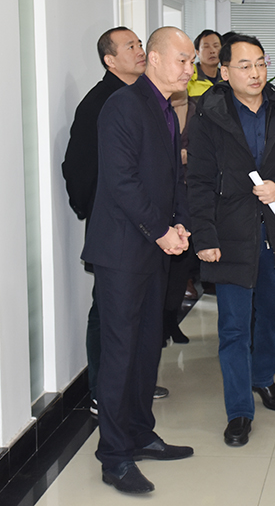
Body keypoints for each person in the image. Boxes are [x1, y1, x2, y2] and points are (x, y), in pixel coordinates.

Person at [81, 27, 196, 494]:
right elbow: (121, 181)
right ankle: (114, 456)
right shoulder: (123, 106)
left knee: (148, 346)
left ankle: (139, 434)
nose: (189, 68)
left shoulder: (163, 107)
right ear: (155, 58)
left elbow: (172, 178)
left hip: (153, 246)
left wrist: (180, 224)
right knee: (120, 352)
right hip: (123, 251)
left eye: (191, 60)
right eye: (182, 60)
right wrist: (162, 230)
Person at [187, 34, 275, 447]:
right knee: (233, 326)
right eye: (244, 65)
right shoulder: (207, 115)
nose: (255, 72)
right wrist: (204, 236)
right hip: (230, 233)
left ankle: (262, 377)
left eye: (260, 63)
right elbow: (198, 181)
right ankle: (239, 410)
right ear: (225, 72)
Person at [62, 27, 168, 413]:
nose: (140, 50)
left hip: (144, 223)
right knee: (108, 310)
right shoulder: (100, 103)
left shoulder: (143, 97)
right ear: (110, 60)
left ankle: (132, 385)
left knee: (136, 311)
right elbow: (78, 168)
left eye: (140, 44)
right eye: (130, 47)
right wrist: (95, 209)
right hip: (116, 226)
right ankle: (100, 390)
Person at [187, 29, 223, 101]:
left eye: (216, 46)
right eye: (206, 47)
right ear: (197, 53)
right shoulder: (188, 77)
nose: (212, 51)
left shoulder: (227, 79)